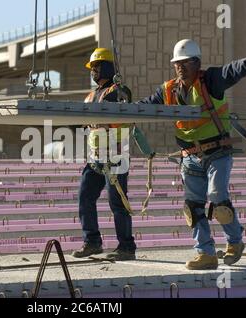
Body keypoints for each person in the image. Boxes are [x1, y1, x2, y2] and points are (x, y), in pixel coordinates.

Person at [138, 39, 246, 270]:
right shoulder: (167, 90)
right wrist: (120, 112)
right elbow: (144, 105)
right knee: (193, 206)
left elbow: (231, 71)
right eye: (177, 63)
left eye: (185, 62)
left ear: (197, 63)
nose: (180, 67)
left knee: (217, 197)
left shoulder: (211, 81)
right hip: (189, 157)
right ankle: (205, 254)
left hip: (217, 152)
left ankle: (235, 242)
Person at [71, 48, 136, 261]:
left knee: (117, 201)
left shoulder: (118, 91)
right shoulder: (91, 96)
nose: (93, 71)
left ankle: (126, 247)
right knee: (85, 196)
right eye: (92, 68)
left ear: (108, 66)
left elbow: (116, 107)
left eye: (97, 66)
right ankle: (92, 242)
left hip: (116, 155)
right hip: (96, 157)